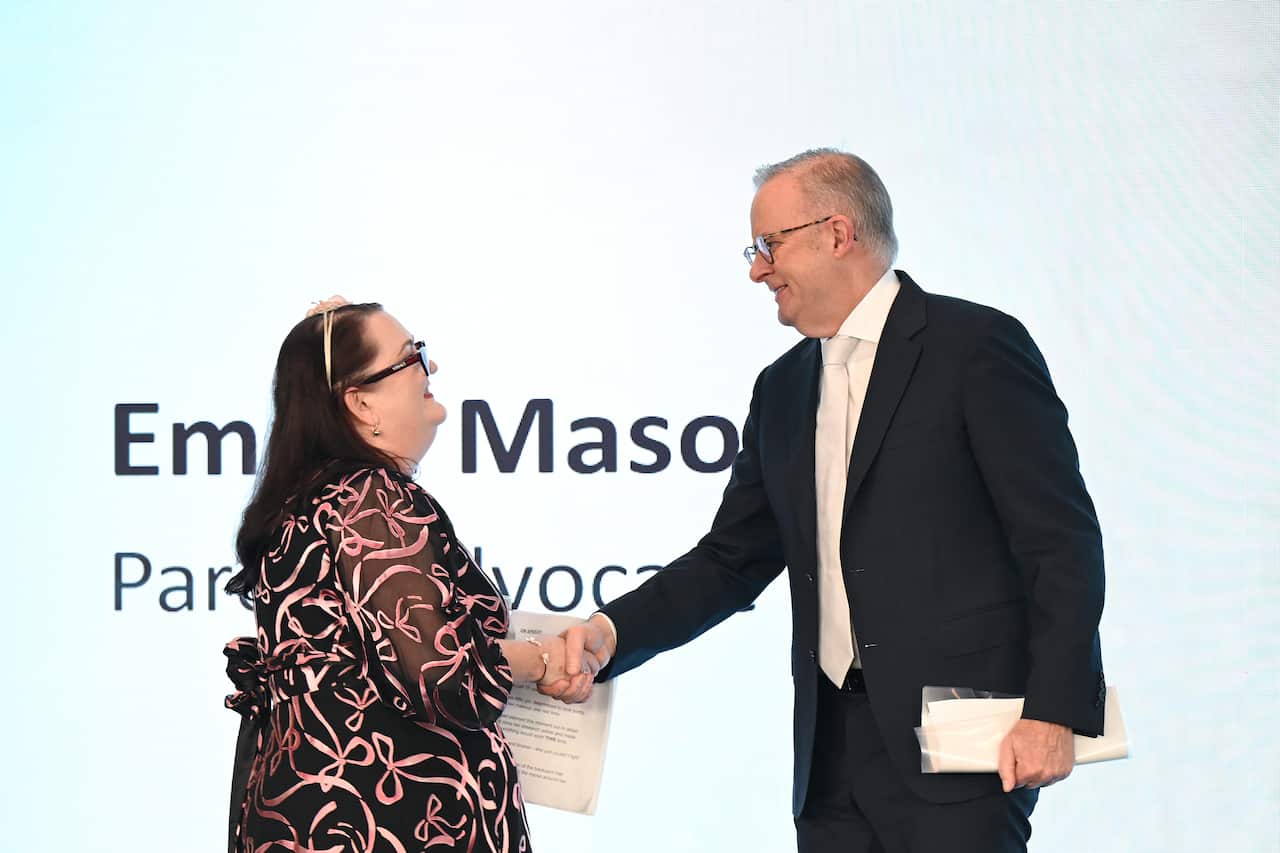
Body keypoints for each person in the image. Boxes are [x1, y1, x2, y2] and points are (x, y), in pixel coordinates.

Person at [551, 149, 1107, 852]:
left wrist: (1054, 710)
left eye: (769, 245)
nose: (757, 269)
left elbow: (1059, 542)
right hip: (831, 761)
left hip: (964, 752)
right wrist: (610, 634)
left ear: (837, 234)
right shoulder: (781, 388)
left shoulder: (976, 347)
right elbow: (730, 560)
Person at [222, 297, 578, 852]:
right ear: (361, 402)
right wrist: (543, 659)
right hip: (387, 821)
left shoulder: (307, 500)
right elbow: (444, 676)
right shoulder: (369, 499)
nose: (429, 369)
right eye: (412, 356)